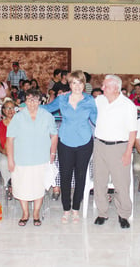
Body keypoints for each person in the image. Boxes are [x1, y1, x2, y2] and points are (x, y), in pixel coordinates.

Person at [42, 70, 97, 224]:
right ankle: (66, 209)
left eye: (80, 83)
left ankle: (75, 209)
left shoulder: (89, 100)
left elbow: (96, 119)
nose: (77, 86)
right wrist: (28, 106)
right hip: (65, 141)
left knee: (81, 177)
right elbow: (47, 109)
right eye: (74, 83)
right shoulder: (62, 99)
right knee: (65, 177)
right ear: (70, 84)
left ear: (84, 84)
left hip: (85, 142)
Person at [6, 89, 58, 227]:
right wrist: (10, 159)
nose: (32, 103)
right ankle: (25, 213)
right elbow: (9, 140)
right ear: (25, 101)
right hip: (21, 159)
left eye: (35, 100)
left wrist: (52, 154)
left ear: (40, 101)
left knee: (38, 188)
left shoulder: (47, 116)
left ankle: (36, 213)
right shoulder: (18, 117)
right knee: (22, 187)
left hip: (41, 159)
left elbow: (54, 135)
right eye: (29, 100)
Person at [93, 75, 137, 229]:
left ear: (116, 88)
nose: (102, 88)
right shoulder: (99, 101)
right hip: (99, 145)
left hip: (119, 147)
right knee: (99, 182)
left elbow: (133, 132)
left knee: (121, 184)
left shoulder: (128, 105)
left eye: (106, 86)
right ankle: (102, 212)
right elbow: (83, 104)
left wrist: (127, 152)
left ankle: (124, 214)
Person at [0, 98, 16, 200]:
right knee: (3, 161)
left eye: (12, 108)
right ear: (3, 110)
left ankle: (16, 185)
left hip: (18, 152)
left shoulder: (19, 122)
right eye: (7, 108)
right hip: (4, 152)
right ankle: (9, 185)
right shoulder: (0, 124)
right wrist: (3, 151)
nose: (10, 110)